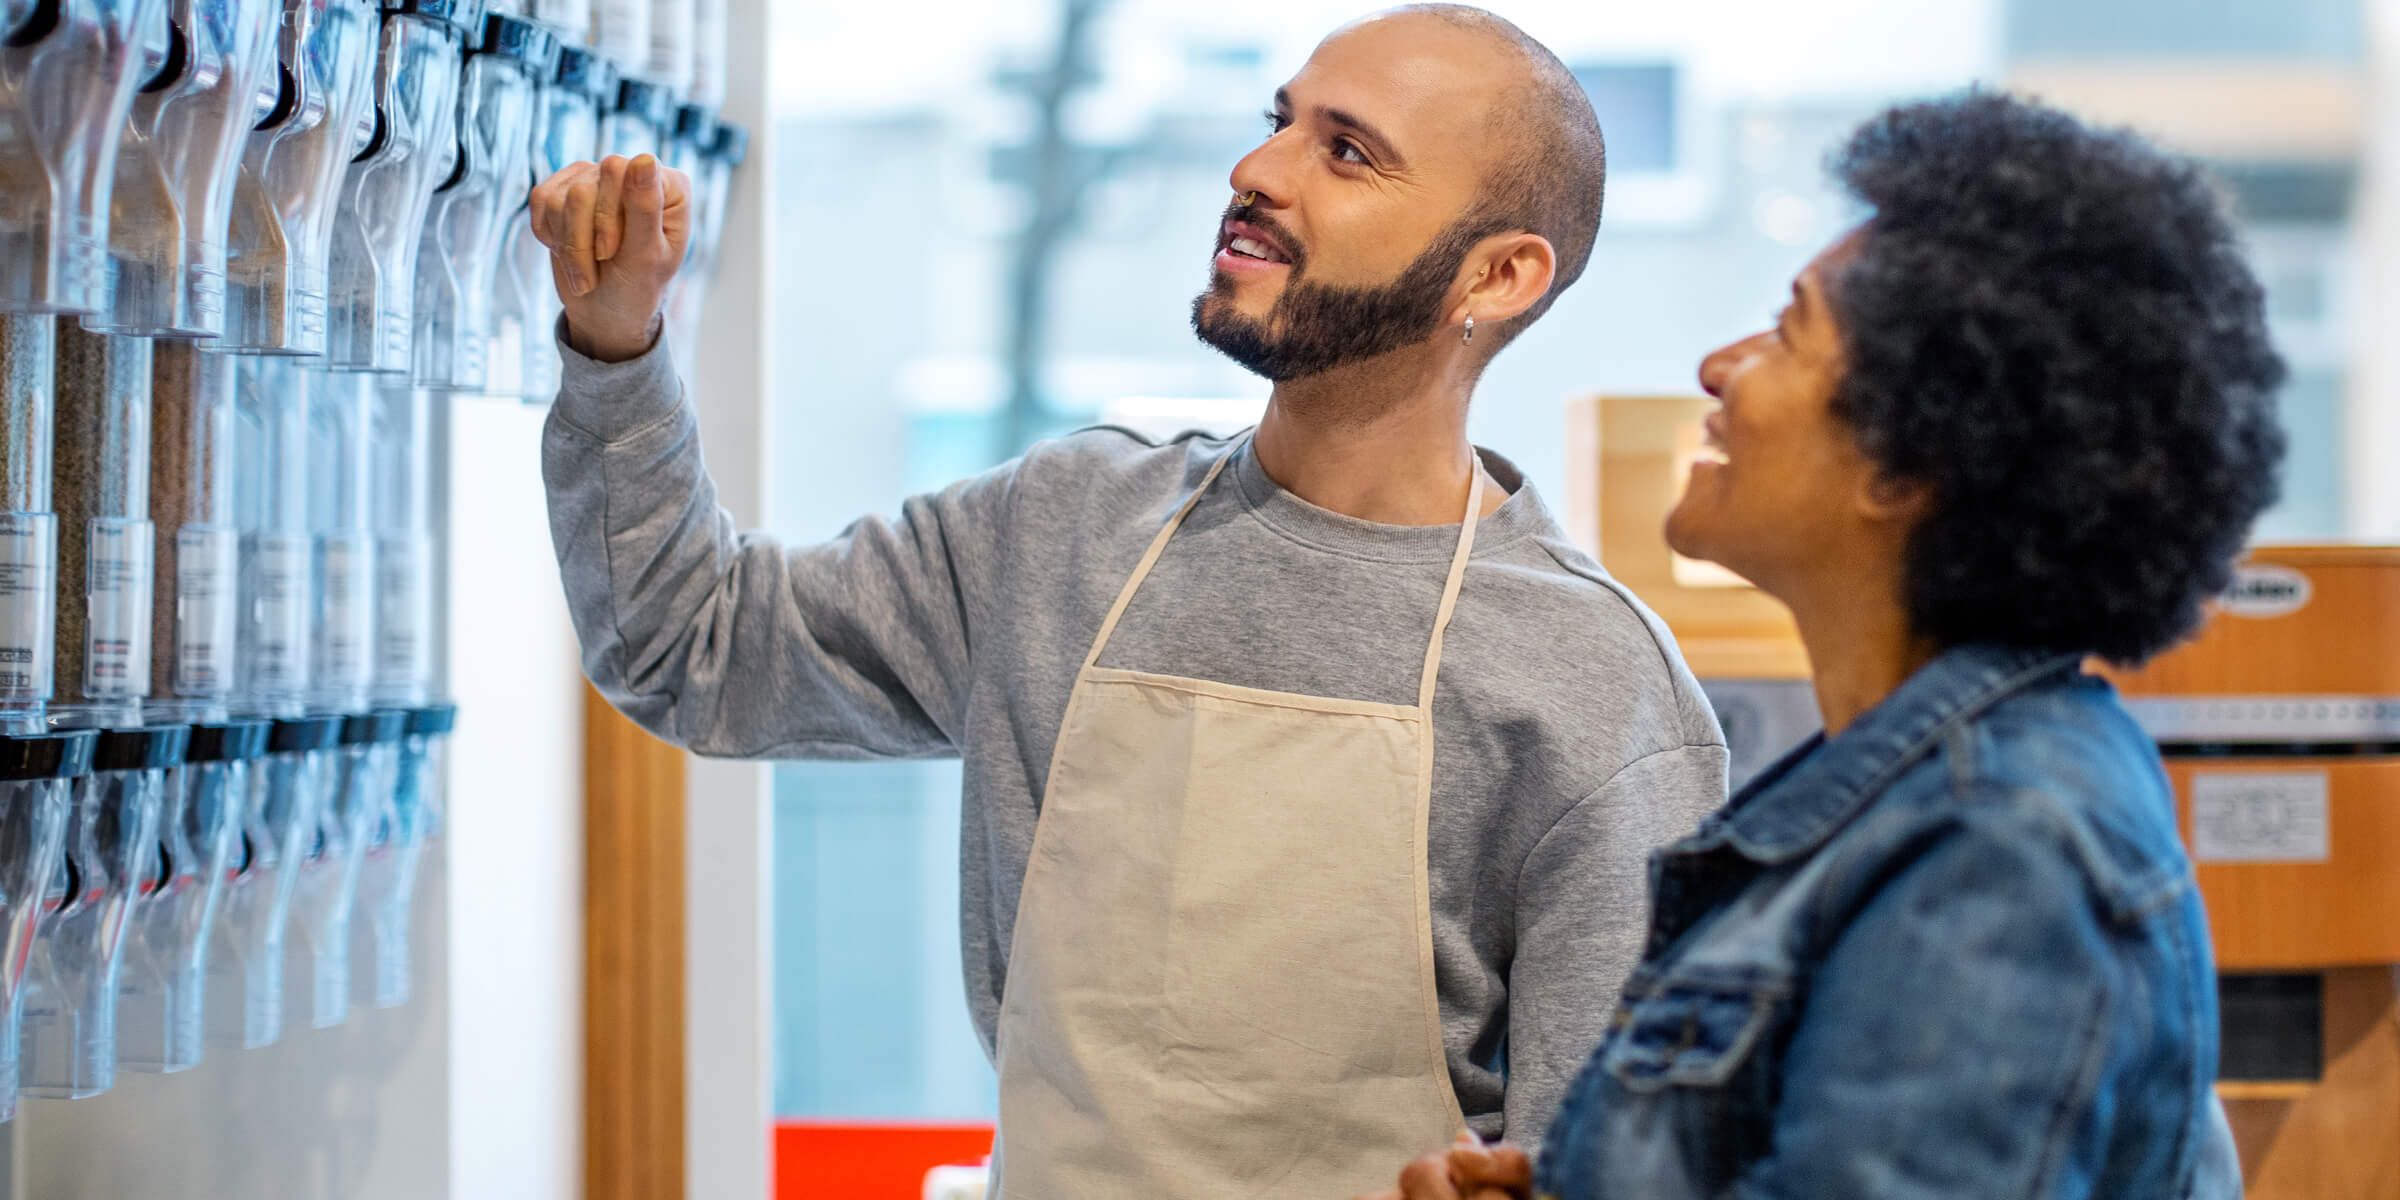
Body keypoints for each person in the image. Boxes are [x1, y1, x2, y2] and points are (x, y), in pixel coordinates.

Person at [529, 6, 1729, 1196]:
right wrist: (615, 340)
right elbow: (687, 644)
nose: (1256, 171)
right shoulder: (1065, 529)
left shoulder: (1596, 683)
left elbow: (1614, 1171)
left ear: (1500, 274)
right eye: (1279, 123)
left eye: (1347, 151)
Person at [1370, 90, 2284, 1200]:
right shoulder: (1920, 802)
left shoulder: (1995, 845)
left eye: (1788, 329)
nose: (1718, 365)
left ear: (1907, 465)